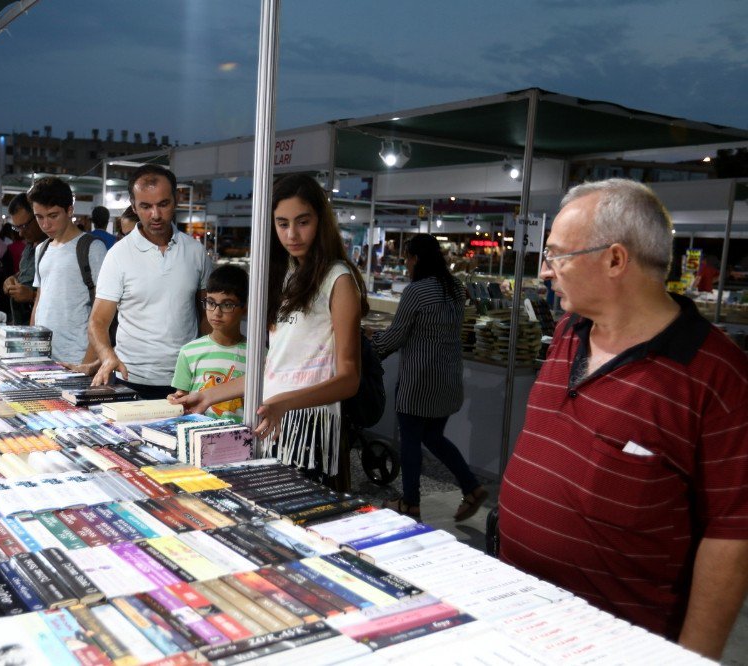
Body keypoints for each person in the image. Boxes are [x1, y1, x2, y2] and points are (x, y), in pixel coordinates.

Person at [499, 179, 748, 659]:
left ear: (615, 259)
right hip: (516, 612)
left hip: (615, 642)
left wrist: (692, 658)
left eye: (556, 255)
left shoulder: (718, 378)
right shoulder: (571, 330)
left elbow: (731, 536)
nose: (545, 272)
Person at [173, 174, 365, 488]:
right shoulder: (285, 276)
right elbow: (275, 370)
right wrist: (206, 396)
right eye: (282, 223)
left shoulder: (338, 279)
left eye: (302, 221)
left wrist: (283, 403)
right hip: (274, 421)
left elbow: (348, 379)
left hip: (309, 428)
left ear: (320, 220)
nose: (292, 234)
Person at [369, 234, 487, 521]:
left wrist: (369, 349)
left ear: (417, 258)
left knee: (410, 440)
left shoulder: (416, 291)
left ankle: (410, 502)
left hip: (419, 380)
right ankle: (471, 487)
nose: (406, 264)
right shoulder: (456, 288)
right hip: (447, 379)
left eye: (408, 258)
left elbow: (396, 336)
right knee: (434, 436)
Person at [87, 165, 211, 400]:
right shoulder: (118, 255)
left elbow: (207, 315)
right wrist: (107, 355)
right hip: (131, 379)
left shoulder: (195, 252)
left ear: (175, 201)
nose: (155, 214)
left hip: (186, 381)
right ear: (134, 207)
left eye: (163, 204)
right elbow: (97, 321)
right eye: (146, 206)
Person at [28, 176, 107, 365]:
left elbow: (104, 310)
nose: (45, 225)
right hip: (42, 357)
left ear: (69, 210)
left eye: (53, 216)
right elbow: (39, 299)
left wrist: (88, 362)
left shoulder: (92, 248)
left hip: (76, 358)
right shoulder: (42, 249)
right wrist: (31, 347)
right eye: (39, 217)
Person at [168, 265, 249, 421]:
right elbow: (181, 399)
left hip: (241, 438)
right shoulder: (188, 352)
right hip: (197, 434)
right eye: (211, 303)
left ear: (244, 309)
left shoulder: (258, 354)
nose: (216, 313)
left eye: (227, 305)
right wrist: (175, 400)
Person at [3, 194, 46, 325]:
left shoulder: (53, 248)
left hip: (41, 330)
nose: (20, 233)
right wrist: (12, 279)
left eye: (24, 226)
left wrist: (32, 296)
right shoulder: (29, 246)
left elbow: (62, 297)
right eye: (17, 227)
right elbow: (26, 273)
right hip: (22, 325)